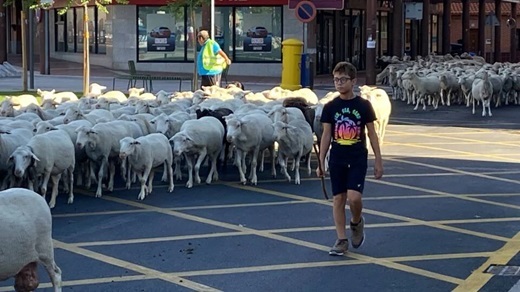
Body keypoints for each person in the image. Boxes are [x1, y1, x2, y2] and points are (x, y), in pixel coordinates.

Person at [316, 61, 383, 256]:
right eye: (336, 80)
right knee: (338, 198)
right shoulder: (330, 107)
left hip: (357, 157)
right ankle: (341, 239)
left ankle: (356, 221)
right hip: (337, 157)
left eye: (343, 79)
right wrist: (321, 161)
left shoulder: (363, 105)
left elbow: (372, 134)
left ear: (353, 81)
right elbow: (326, 135)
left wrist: (378, 160)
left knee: (354, 198)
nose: (339, 83)